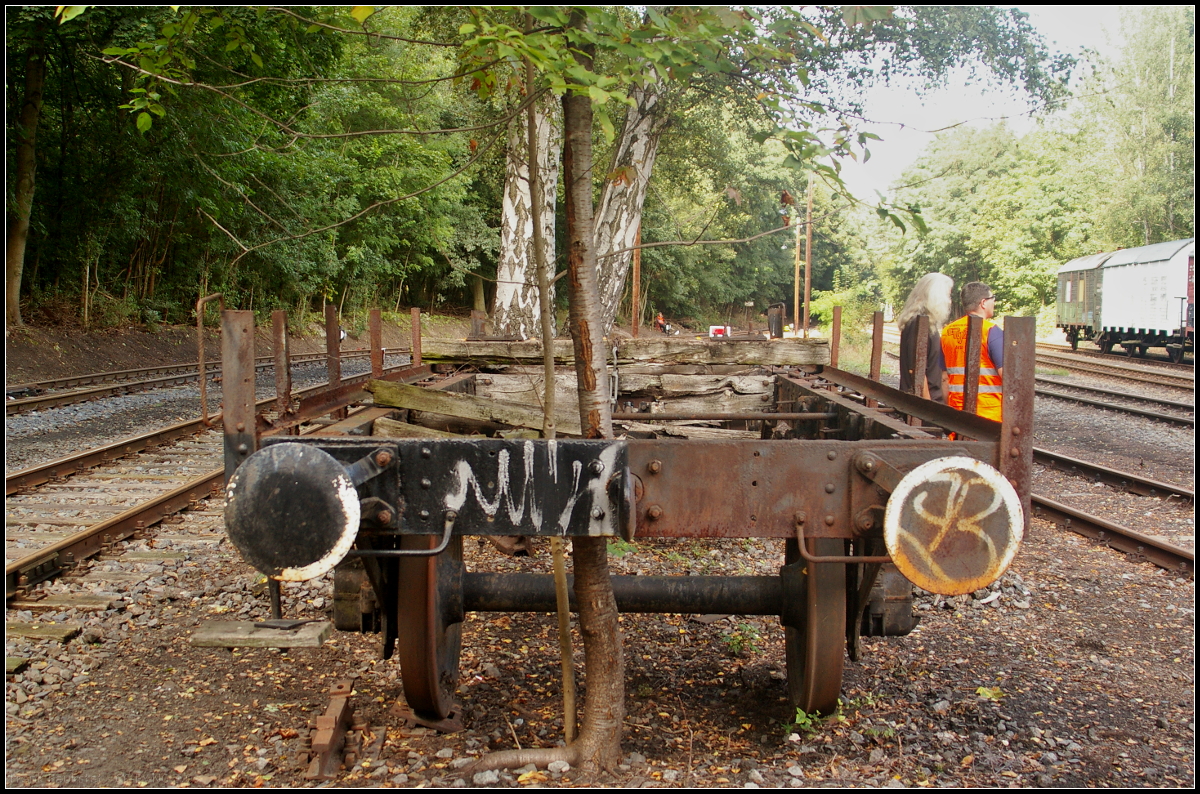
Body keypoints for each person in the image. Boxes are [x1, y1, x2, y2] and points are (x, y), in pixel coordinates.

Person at [941, 281, 1004, 421]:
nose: (994, 302)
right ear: (983, 303)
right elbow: (1007, 376)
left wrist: (950, 410)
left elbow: (944, 378)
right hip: (988, 416)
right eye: (992, 298)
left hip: (957, 415)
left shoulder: (948, 331)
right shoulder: (991, 331)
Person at [896, 273, 953, 403]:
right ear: (935, 297)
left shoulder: (925, 323)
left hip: (929, 401)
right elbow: (917, 371)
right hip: (924, 404)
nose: (949, 301)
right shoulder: (919, 324)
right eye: (947, 296)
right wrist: (928, 407)